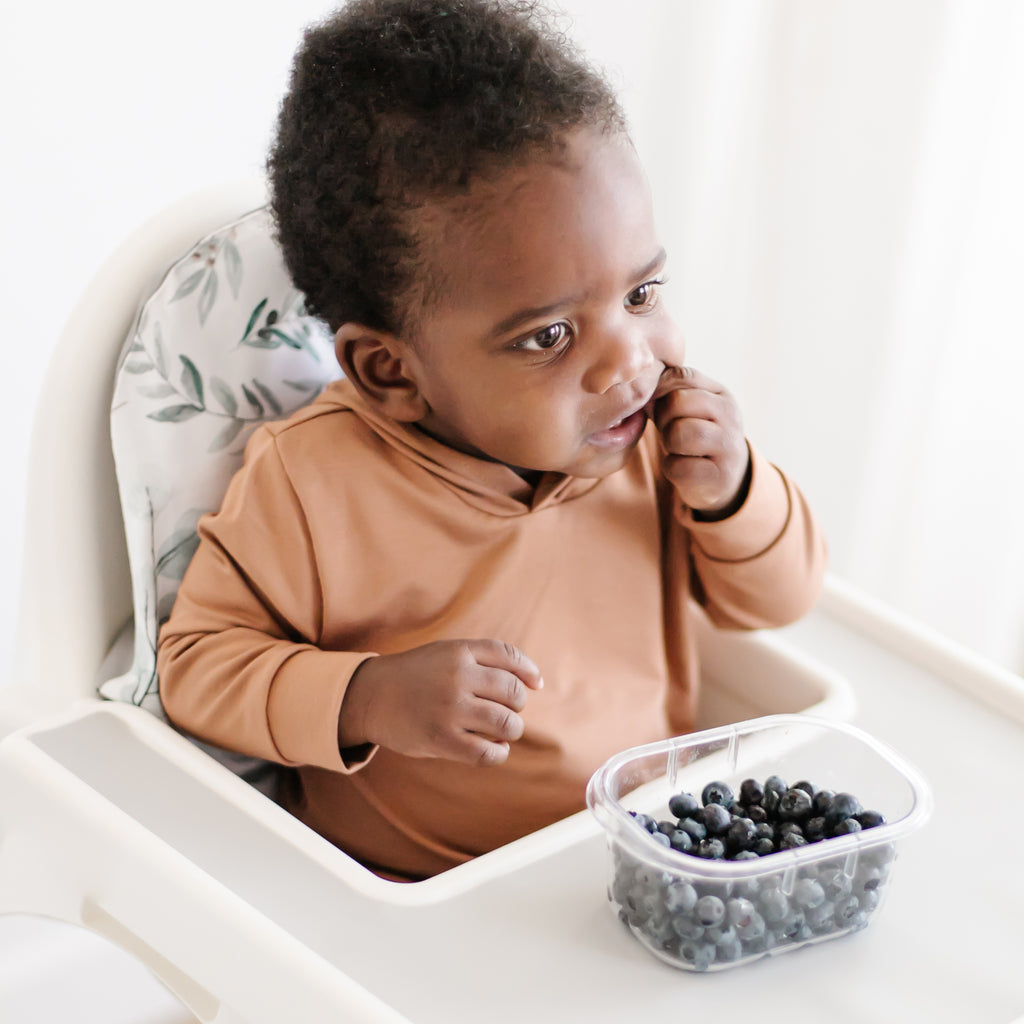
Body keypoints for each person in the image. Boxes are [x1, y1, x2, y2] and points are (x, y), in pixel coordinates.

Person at [158, 0, 827, 881]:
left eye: (642, 294)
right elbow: (198, 669)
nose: (628, 362)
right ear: (392, 372)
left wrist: (737, 493)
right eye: (549, 335)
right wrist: (365, 696)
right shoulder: (312, 481)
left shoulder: (661, 443)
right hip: (421, 899)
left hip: (652, 855)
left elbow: (776, 605)